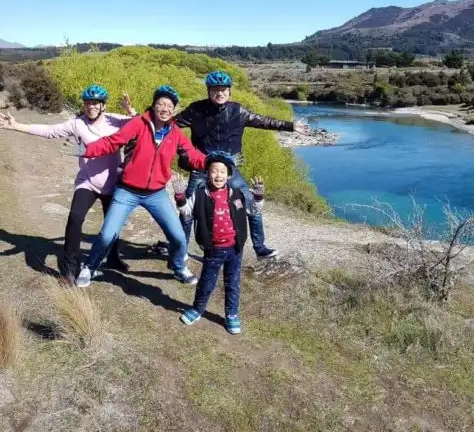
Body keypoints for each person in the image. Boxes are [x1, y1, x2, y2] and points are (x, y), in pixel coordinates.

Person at [127, 70, 308, 259]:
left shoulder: (238, 111)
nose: (219, 93)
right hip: (201, 168)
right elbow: (167, 121)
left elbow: (263, 121)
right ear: (208, 91)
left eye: (223, 90)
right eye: (215, 90)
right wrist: (139, 117)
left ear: (229, 92)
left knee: (250, 204)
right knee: (187, 210)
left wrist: (291, 126)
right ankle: (179, 250)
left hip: (229, 170)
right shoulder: (196, 110)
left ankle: (260, 247)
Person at [75, 85, 208, 288]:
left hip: (156, 194)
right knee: (107, 234)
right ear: (153, 106)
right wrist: (87, 150)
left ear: (173, 110)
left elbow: (191, 155)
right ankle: (90, 267)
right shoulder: (139, 123)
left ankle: (179, 267)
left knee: (179, 237)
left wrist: (213, 162)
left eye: (169, 106)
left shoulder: (175, 133)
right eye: (161, 104)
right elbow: (114, 141)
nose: (164, 108)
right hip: (127, 191)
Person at [0, 85, 134, 283]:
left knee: (111, 224)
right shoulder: (77, 124)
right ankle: (70, 269)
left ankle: (113, 257)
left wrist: (131, 111)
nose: (91, 107)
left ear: (103, 105)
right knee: (75, 218)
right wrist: (16, 125)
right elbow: (50, 131)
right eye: (88, 103)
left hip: (112, 182)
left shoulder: (116, 121)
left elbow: (144, 126)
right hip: (87, 181)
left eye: (95, 103)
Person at [174, 151, 264, 335]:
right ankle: (197, 310)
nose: (218, 175)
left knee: (232, 283)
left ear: (229, 175)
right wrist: (180, 196)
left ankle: (231, 315)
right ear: (207, 173)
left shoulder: (237, 194)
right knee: (207, 282)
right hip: (213, 249)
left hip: (235, 249)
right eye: (214, 171)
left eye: (223, 172)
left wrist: (258, 198)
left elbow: (253, 211)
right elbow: (186, 212)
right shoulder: (200, 194)